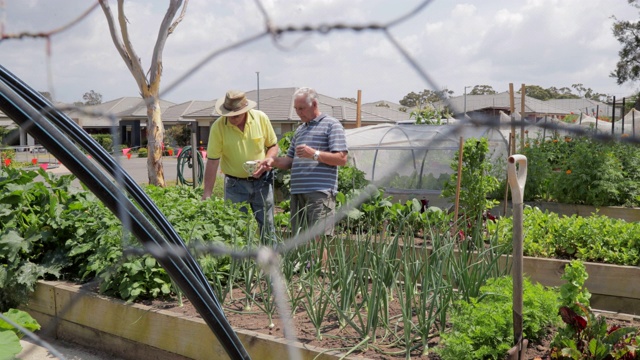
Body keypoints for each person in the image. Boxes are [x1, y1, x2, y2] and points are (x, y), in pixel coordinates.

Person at [260, 87, 348, 244]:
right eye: (296, 109)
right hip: (298, 192)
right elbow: (289, 161)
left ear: (314, 104)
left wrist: (314, 154)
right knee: (300, 238)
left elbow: (341, 158)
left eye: (301, 108)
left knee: (318, 240)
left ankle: (320, 269)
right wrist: (271, 161)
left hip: (320, 193)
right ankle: (306, 269)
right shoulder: (300, 130)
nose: (298, 113)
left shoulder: (332, 125)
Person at [201, 90, 279, 244]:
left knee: (268, 227)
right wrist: (207, 193)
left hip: (262, 182)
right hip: (234, 185)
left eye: (235, 116)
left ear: (246, 111)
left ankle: (272, 264)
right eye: (228, 116)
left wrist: (268, 160)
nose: (231, 119)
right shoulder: (218, 127)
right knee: (236, 229)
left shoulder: (261, 118)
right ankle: (242, 266)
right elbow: (212, 161)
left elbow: (273, 146)